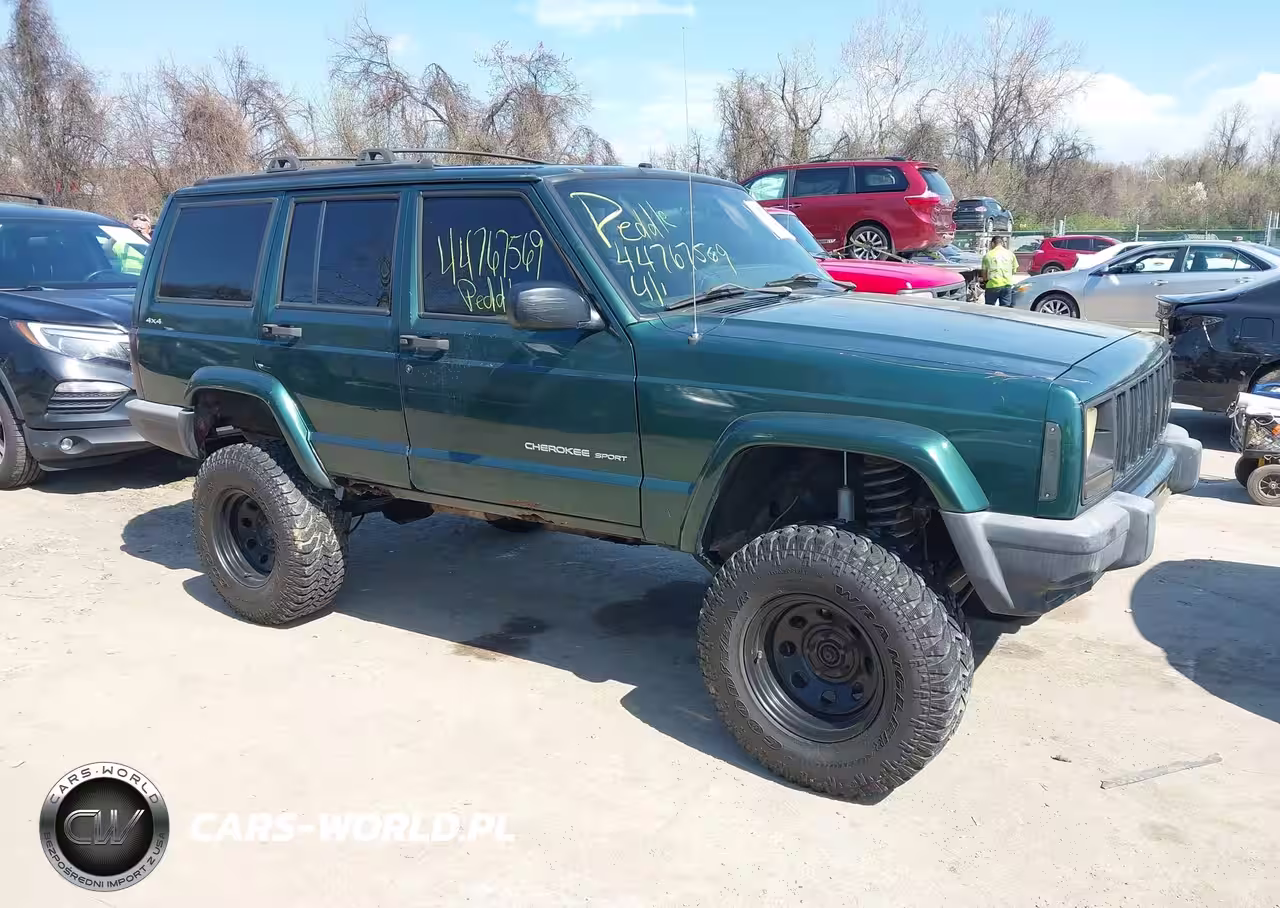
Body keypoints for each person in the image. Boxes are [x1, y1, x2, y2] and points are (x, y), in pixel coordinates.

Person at [981, 234, 1018, 307]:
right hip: (1007, 285)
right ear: (1002, 243)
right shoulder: (1010, 254)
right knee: (1005, 308)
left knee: (989, 308)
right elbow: (1014, 270)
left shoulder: (988, 255)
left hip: (992, 285)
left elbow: (984, 274)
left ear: (992, 243)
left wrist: (985, 281)